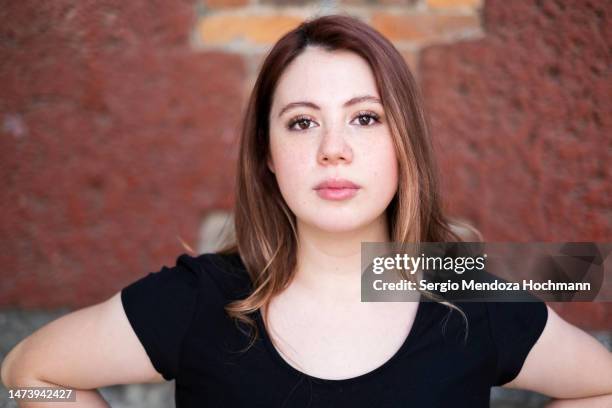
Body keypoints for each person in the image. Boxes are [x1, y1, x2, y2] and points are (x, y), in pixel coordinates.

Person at [2, 13, 611, 408]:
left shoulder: (465, 289)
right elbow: (27, 374)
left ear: (405, 144)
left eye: (365, 118)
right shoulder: (200, 298)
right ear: (268, 155)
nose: (333, 149)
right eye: (302, 123)